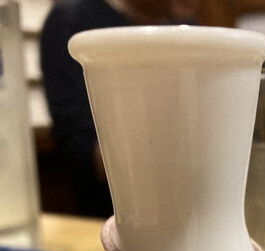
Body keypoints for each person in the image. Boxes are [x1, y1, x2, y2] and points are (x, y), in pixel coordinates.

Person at [40, 0, 198, 217]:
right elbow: (80, 152)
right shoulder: (72, 21)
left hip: (195, 213)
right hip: (112, 218)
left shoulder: (186, 28)